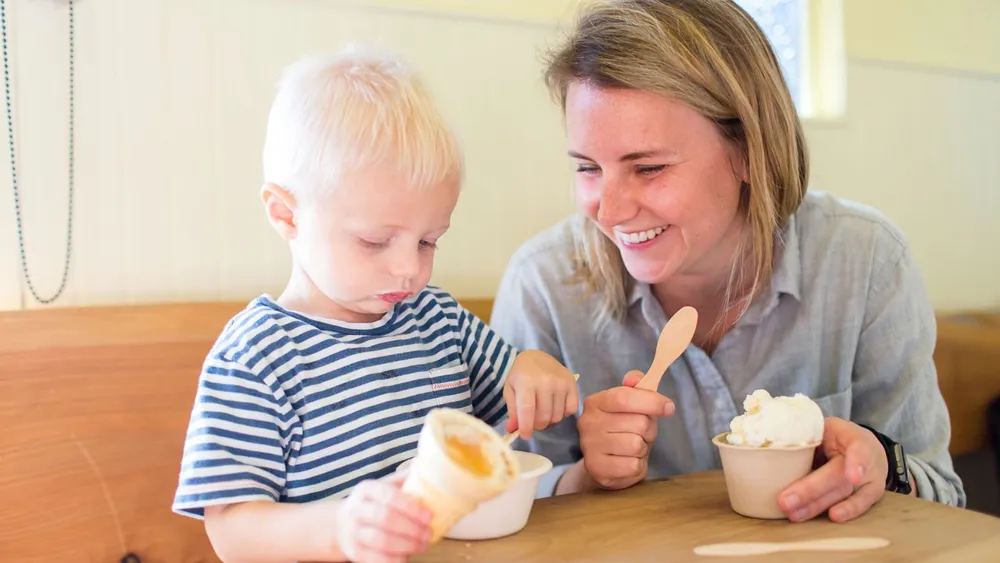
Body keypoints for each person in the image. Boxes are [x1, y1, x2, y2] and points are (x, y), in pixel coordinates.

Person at [491, 0, 965, 524]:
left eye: (648, 168)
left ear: (748, 151)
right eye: (586, 167)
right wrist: (584, 477)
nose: (610, 209)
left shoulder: (866, 262)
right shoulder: (543, 287)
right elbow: (495, 500)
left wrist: (881, 470)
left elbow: (941, 493)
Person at [171, 45, 579, 563]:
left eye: (429, 241)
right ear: (286, 215)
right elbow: (231, 533)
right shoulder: (255, 358)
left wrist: (536, 369)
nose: (410, 268)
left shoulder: (436, 319)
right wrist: (341, 528)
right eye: (374, 241)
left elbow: (516, 379)